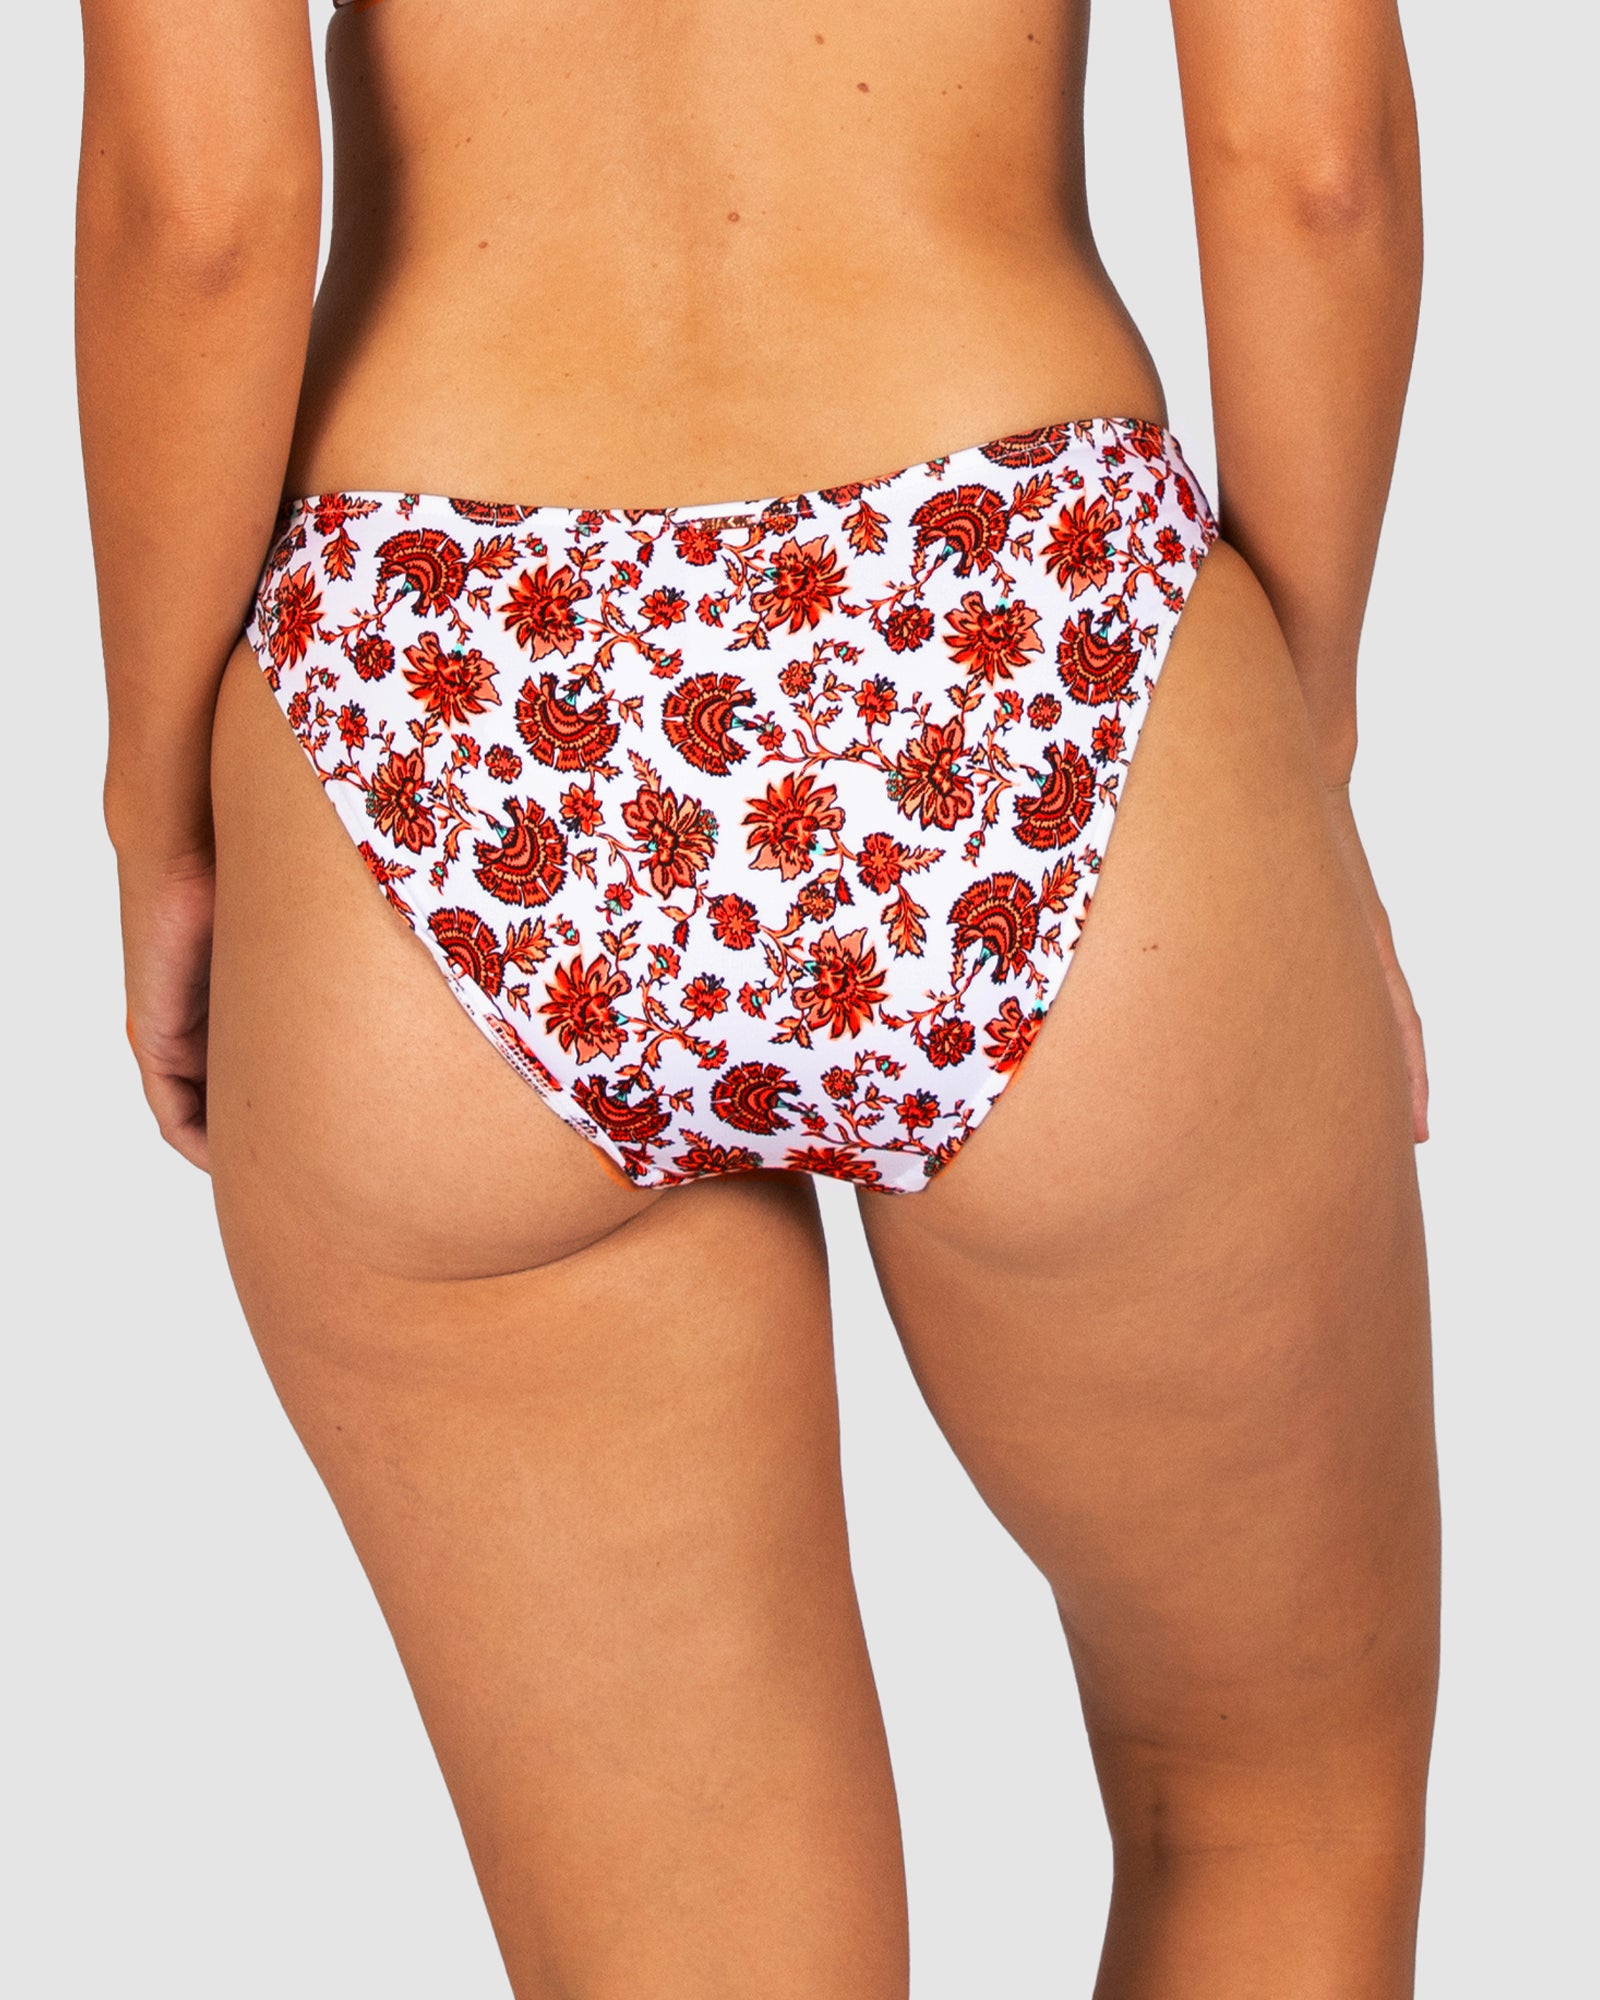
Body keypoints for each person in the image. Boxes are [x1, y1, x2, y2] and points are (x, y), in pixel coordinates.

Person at [75, 0, 1438, 1991]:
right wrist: (1281, 762)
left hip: (448, 701)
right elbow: (1313, 170)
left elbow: (199, 214)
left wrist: (158, 808)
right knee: (1265, 1805)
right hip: (1019, 628)